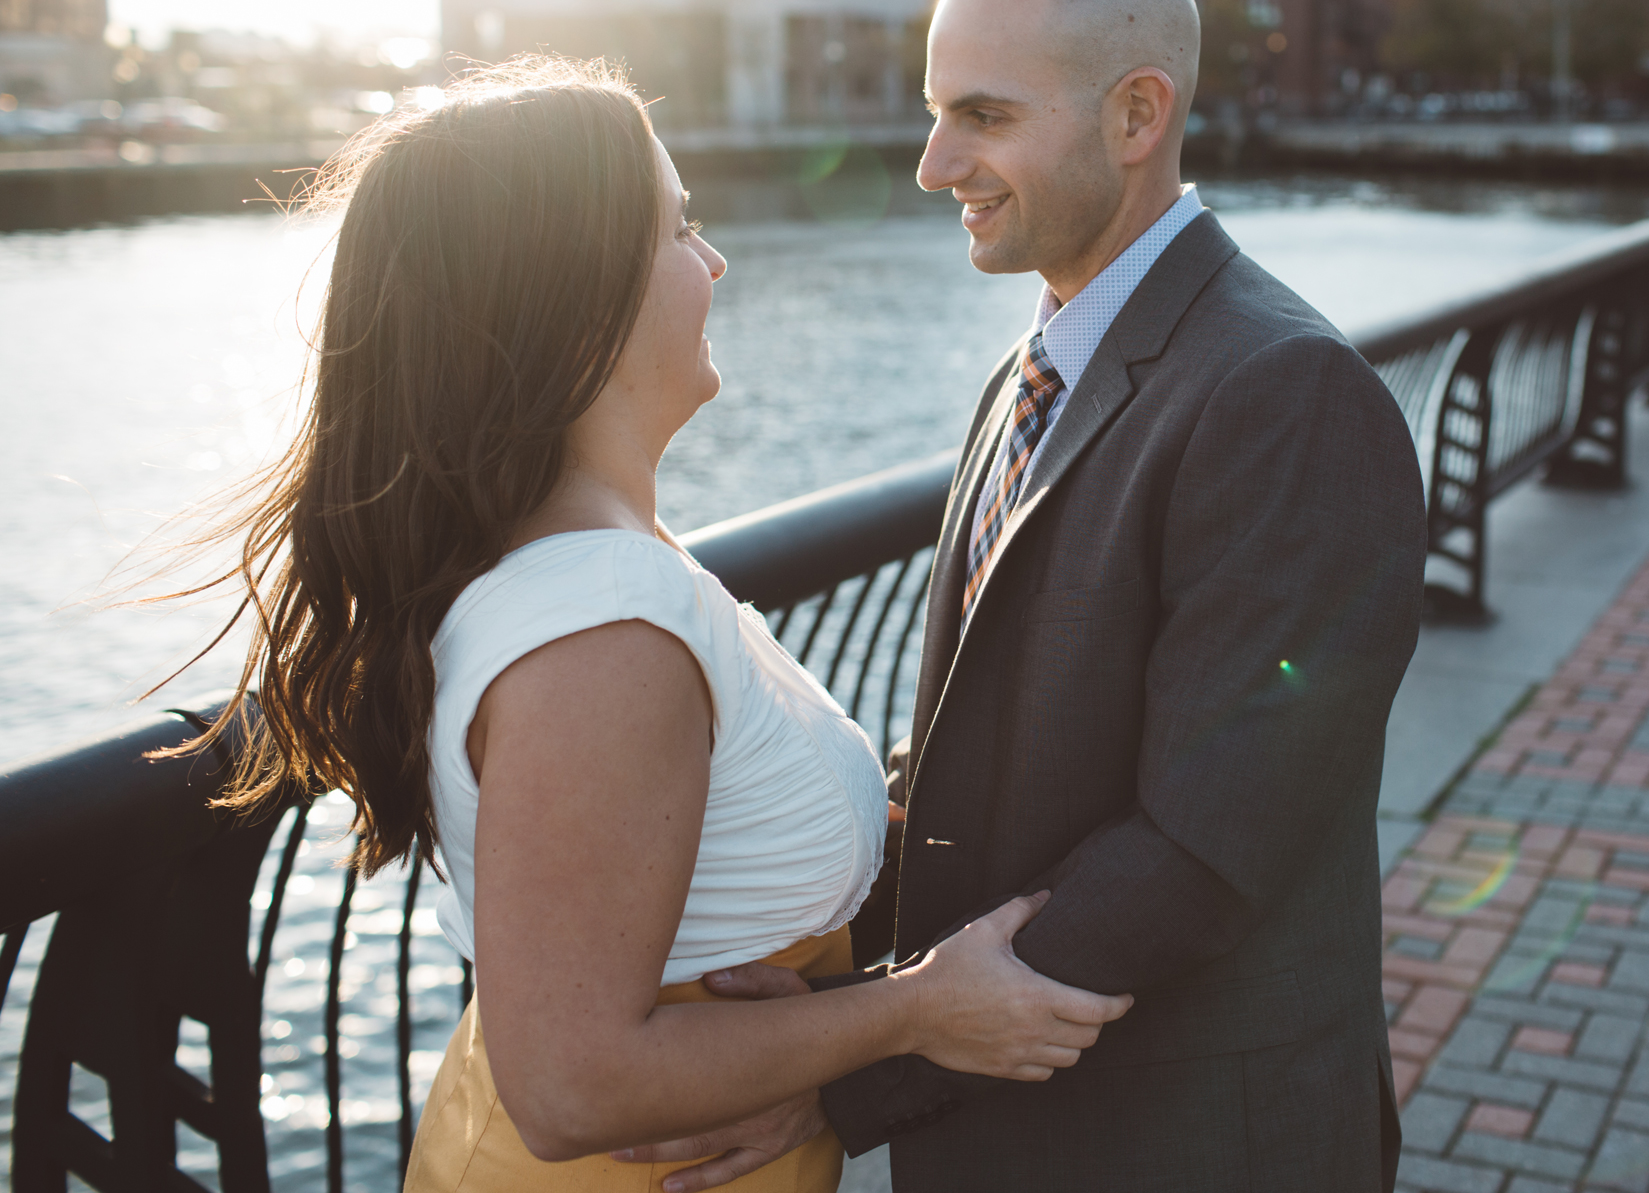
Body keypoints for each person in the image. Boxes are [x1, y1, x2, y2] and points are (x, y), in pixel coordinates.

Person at [170, 58, 1130, 1193]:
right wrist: (919, 1007)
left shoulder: (599, 569)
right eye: (681, 228)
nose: (715, 261)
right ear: (575, 294)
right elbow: (574, 1081)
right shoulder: (603, 632)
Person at [625, 0, 1428, 1190]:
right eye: (937, 111)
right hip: (1018, 1117)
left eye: (984, 117)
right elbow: (989, 755)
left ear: (1136, 115)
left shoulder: (1288, 391)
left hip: (1182, 1139)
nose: (935, 162)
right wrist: (833, 981)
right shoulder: (1032, 362)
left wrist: (841, 1072)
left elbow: (1203, 842)